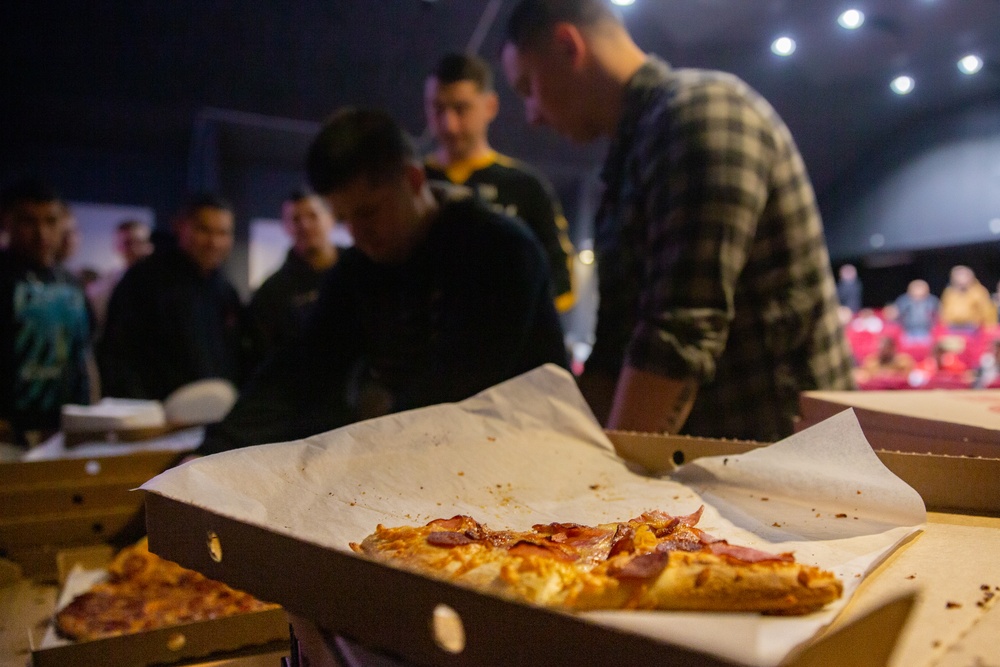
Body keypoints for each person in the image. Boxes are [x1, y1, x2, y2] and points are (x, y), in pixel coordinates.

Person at [500, 0, 854, 441]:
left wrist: (602, 483)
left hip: (786, 462)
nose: (531, 115)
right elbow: (614, 349)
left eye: (527, 86)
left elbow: (678, 337)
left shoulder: (699, 110)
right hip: (724, 467)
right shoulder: (633, 152)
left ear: (567, 45)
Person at [197, 108, 567, 455]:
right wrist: (211, 454)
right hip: (420, 457)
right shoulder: (359, 269)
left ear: (413, 179)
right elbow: (301, 367)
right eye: (344, 220)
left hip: (526, 457)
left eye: (369, 212)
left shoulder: (498, 249)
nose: (359, 235)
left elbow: (460, 383)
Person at [424, 52, 576, 313]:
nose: (448, 125)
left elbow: (560, 279)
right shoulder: (412, 182)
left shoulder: (525, 187)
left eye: (461, 109)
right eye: (438, 109)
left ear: (490, 107)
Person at [98, 194, 247, 400]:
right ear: (180, 227)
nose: (214, 242)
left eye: (223, 233)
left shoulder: (225, 291)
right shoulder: (143, 281)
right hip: (157, 418)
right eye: (204, 230)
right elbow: (117, 355)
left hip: (216, 416)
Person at [0, 179, 92, 446]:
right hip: (9, 433)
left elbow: (82, 355)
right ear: (7, 221)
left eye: (51, 221)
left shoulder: (71, 284)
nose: (42, 233)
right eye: (29, 221)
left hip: (64, 431)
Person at [247, 188, 338, 364]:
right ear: (286, 226)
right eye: (296, 219)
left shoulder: (359, 271)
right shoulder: (271, 293)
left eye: (313, 216)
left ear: (331, 218)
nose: (305, 225)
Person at [85, 219, 153, 339]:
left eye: (140, 242)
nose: (135, 249)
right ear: (117, 246)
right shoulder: (104, 287)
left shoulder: (166, 284)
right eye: (128, 243)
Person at [939, 265, 996, 332]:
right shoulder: (949, 292)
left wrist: (990, 326)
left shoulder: (978, 292)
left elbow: (987, 310)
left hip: (972, 328)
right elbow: (943, 309)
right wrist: (943, 324)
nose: (960, 278)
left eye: (963, 275)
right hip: (952, 327)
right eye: (957, 276)